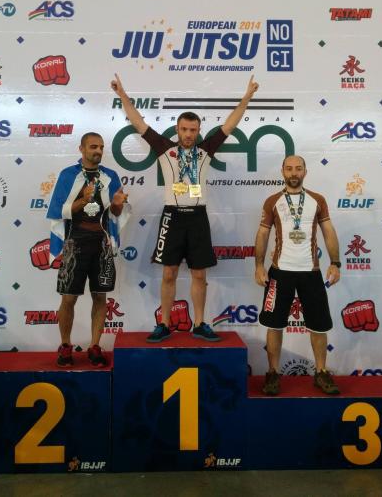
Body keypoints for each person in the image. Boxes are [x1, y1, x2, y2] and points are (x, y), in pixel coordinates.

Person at [111, 73, 259, 342]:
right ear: (177, 130)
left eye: (193, 130)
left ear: (198, 131)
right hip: (173, 217)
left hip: (198, 217)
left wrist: (247, 97)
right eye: (184, 129)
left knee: (199, 274)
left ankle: (200, 323)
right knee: (169, 273)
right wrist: (122, 95)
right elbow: (138, 122)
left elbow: (230, 124)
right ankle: (164, 324)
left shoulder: (206, 151)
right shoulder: (164, 149)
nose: (188, 134)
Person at [255, 155, 341, 395]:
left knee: (319, 326)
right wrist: (259, 266)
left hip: (310, 272)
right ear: (282, 171)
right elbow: (262, 234)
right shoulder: (272, 201)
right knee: (274, 325)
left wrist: (335, 263)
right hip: (279, 272)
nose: (294, 173)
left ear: (305, 172)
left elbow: (329, 231)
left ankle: (321, 372)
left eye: (298, 168)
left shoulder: (317, 200)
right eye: (289, 168)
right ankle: (273, 373)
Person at [47, 132, 129, 367]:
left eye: (101, 147)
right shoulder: (68, 175)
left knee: (100, 296)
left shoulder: (110, 176)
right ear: (81, 149)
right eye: (93, 147)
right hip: (75, 242)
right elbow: (57, 211)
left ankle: (94, 346)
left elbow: (115, 214)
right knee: (68, 298)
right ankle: (65, 346)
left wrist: (117, 205)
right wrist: (82, 200)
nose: (98, 151)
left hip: (102, 243)